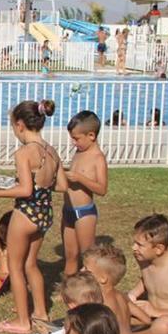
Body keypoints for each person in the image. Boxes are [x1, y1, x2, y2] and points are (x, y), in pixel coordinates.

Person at [0, 99, 65, 334]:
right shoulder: (51, 151)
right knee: (31, 264)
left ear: (19, 125)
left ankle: (22, 321)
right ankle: (41, 313)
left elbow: (26, 190)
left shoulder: (24, 153)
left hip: (26, 213)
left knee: (15, 267)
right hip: (44, 213)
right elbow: (60, 184)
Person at [60, 111, 108, 277]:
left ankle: (93, 288)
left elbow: (102, 189)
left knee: (88, 257)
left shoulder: (97, 158)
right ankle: (67, 287)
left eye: (76, 139)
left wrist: (79, 178)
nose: (73, 143)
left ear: (91, 135)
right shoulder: (79, 153)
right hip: (68, 210)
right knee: (70, 255)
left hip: (84, 213)